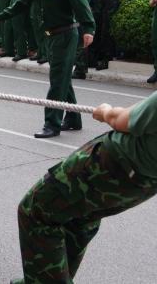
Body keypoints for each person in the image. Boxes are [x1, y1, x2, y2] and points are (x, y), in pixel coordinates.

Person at [11, 92, 157, 284]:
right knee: (79, 219)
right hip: (145, 183)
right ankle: (44, 277)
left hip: (113, 163)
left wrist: (106, 112)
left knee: (35, 210)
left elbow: (121, 120)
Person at [0, 0, 94, 138]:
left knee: (57, 80)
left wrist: (89, 29)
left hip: (66, 34)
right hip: (49, 36)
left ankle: (51, 123)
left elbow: (80, 2)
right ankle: (73, 118)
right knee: (62, 79)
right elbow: (20, 3)